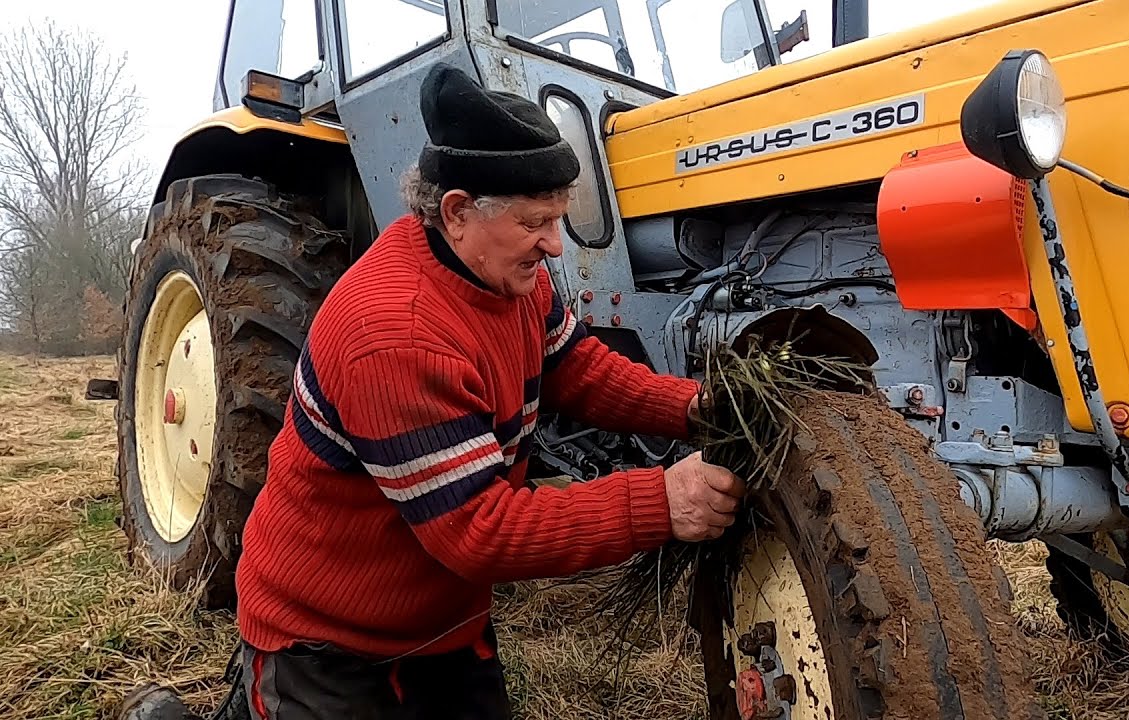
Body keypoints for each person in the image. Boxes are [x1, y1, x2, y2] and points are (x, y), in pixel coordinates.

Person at [225, 64, 745, 719]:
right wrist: (662, 502)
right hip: (326, 646)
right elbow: (479, 530)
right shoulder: (394, 332)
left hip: (442, 629)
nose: (554, 245)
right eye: (536, 222)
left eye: (558, 219)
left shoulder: (511, 279)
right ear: (457, 212)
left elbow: (574, 367)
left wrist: (691, 408)